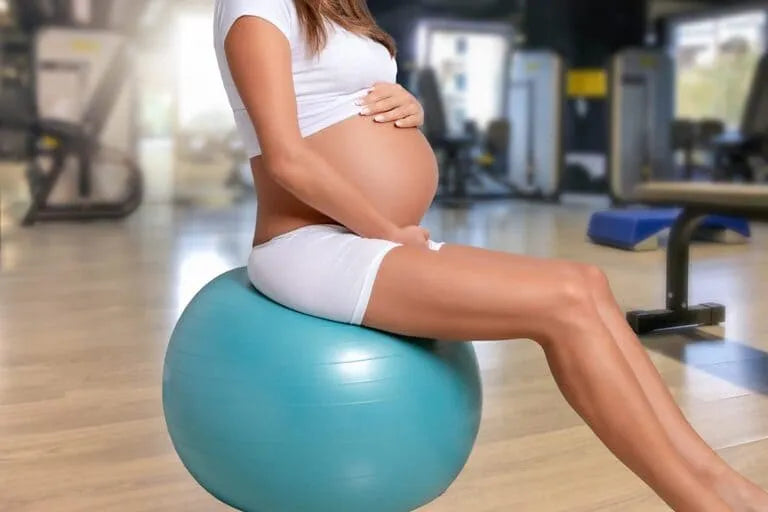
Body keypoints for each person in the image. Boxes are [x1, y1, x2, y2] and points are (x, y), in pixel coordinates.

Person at [213, 1, 767, 510]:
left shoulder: (335, 4)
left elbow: (336, 99)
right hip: (310, 245)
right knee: (565, 305)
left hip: (369, 236)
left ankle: (721, 482)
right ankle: (702, 503)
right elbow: (287, 159)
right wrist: (383, 228)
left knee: (588, 283)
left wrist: (407, 103)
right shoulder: (256, 4)